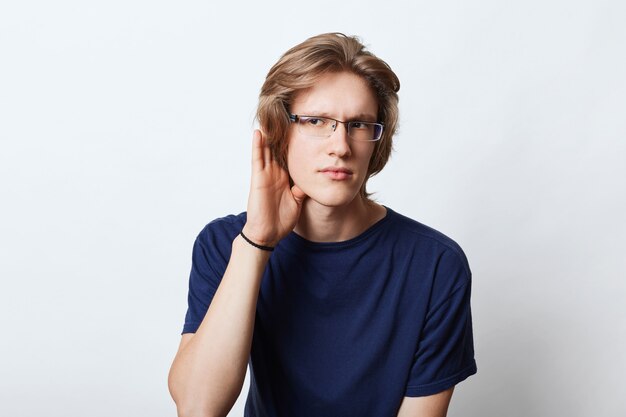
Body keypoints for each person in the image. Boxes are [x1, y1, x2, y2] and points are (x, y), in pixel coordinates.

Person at [168, 33, 477, 417]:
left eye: (360, 125)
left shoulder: (434, 264)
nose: (341, 146)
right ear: (280, 130)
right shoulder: (225, 243)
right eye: (316, 121)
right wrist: (256, 244)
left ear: (377, 140)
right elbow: (198, 407)